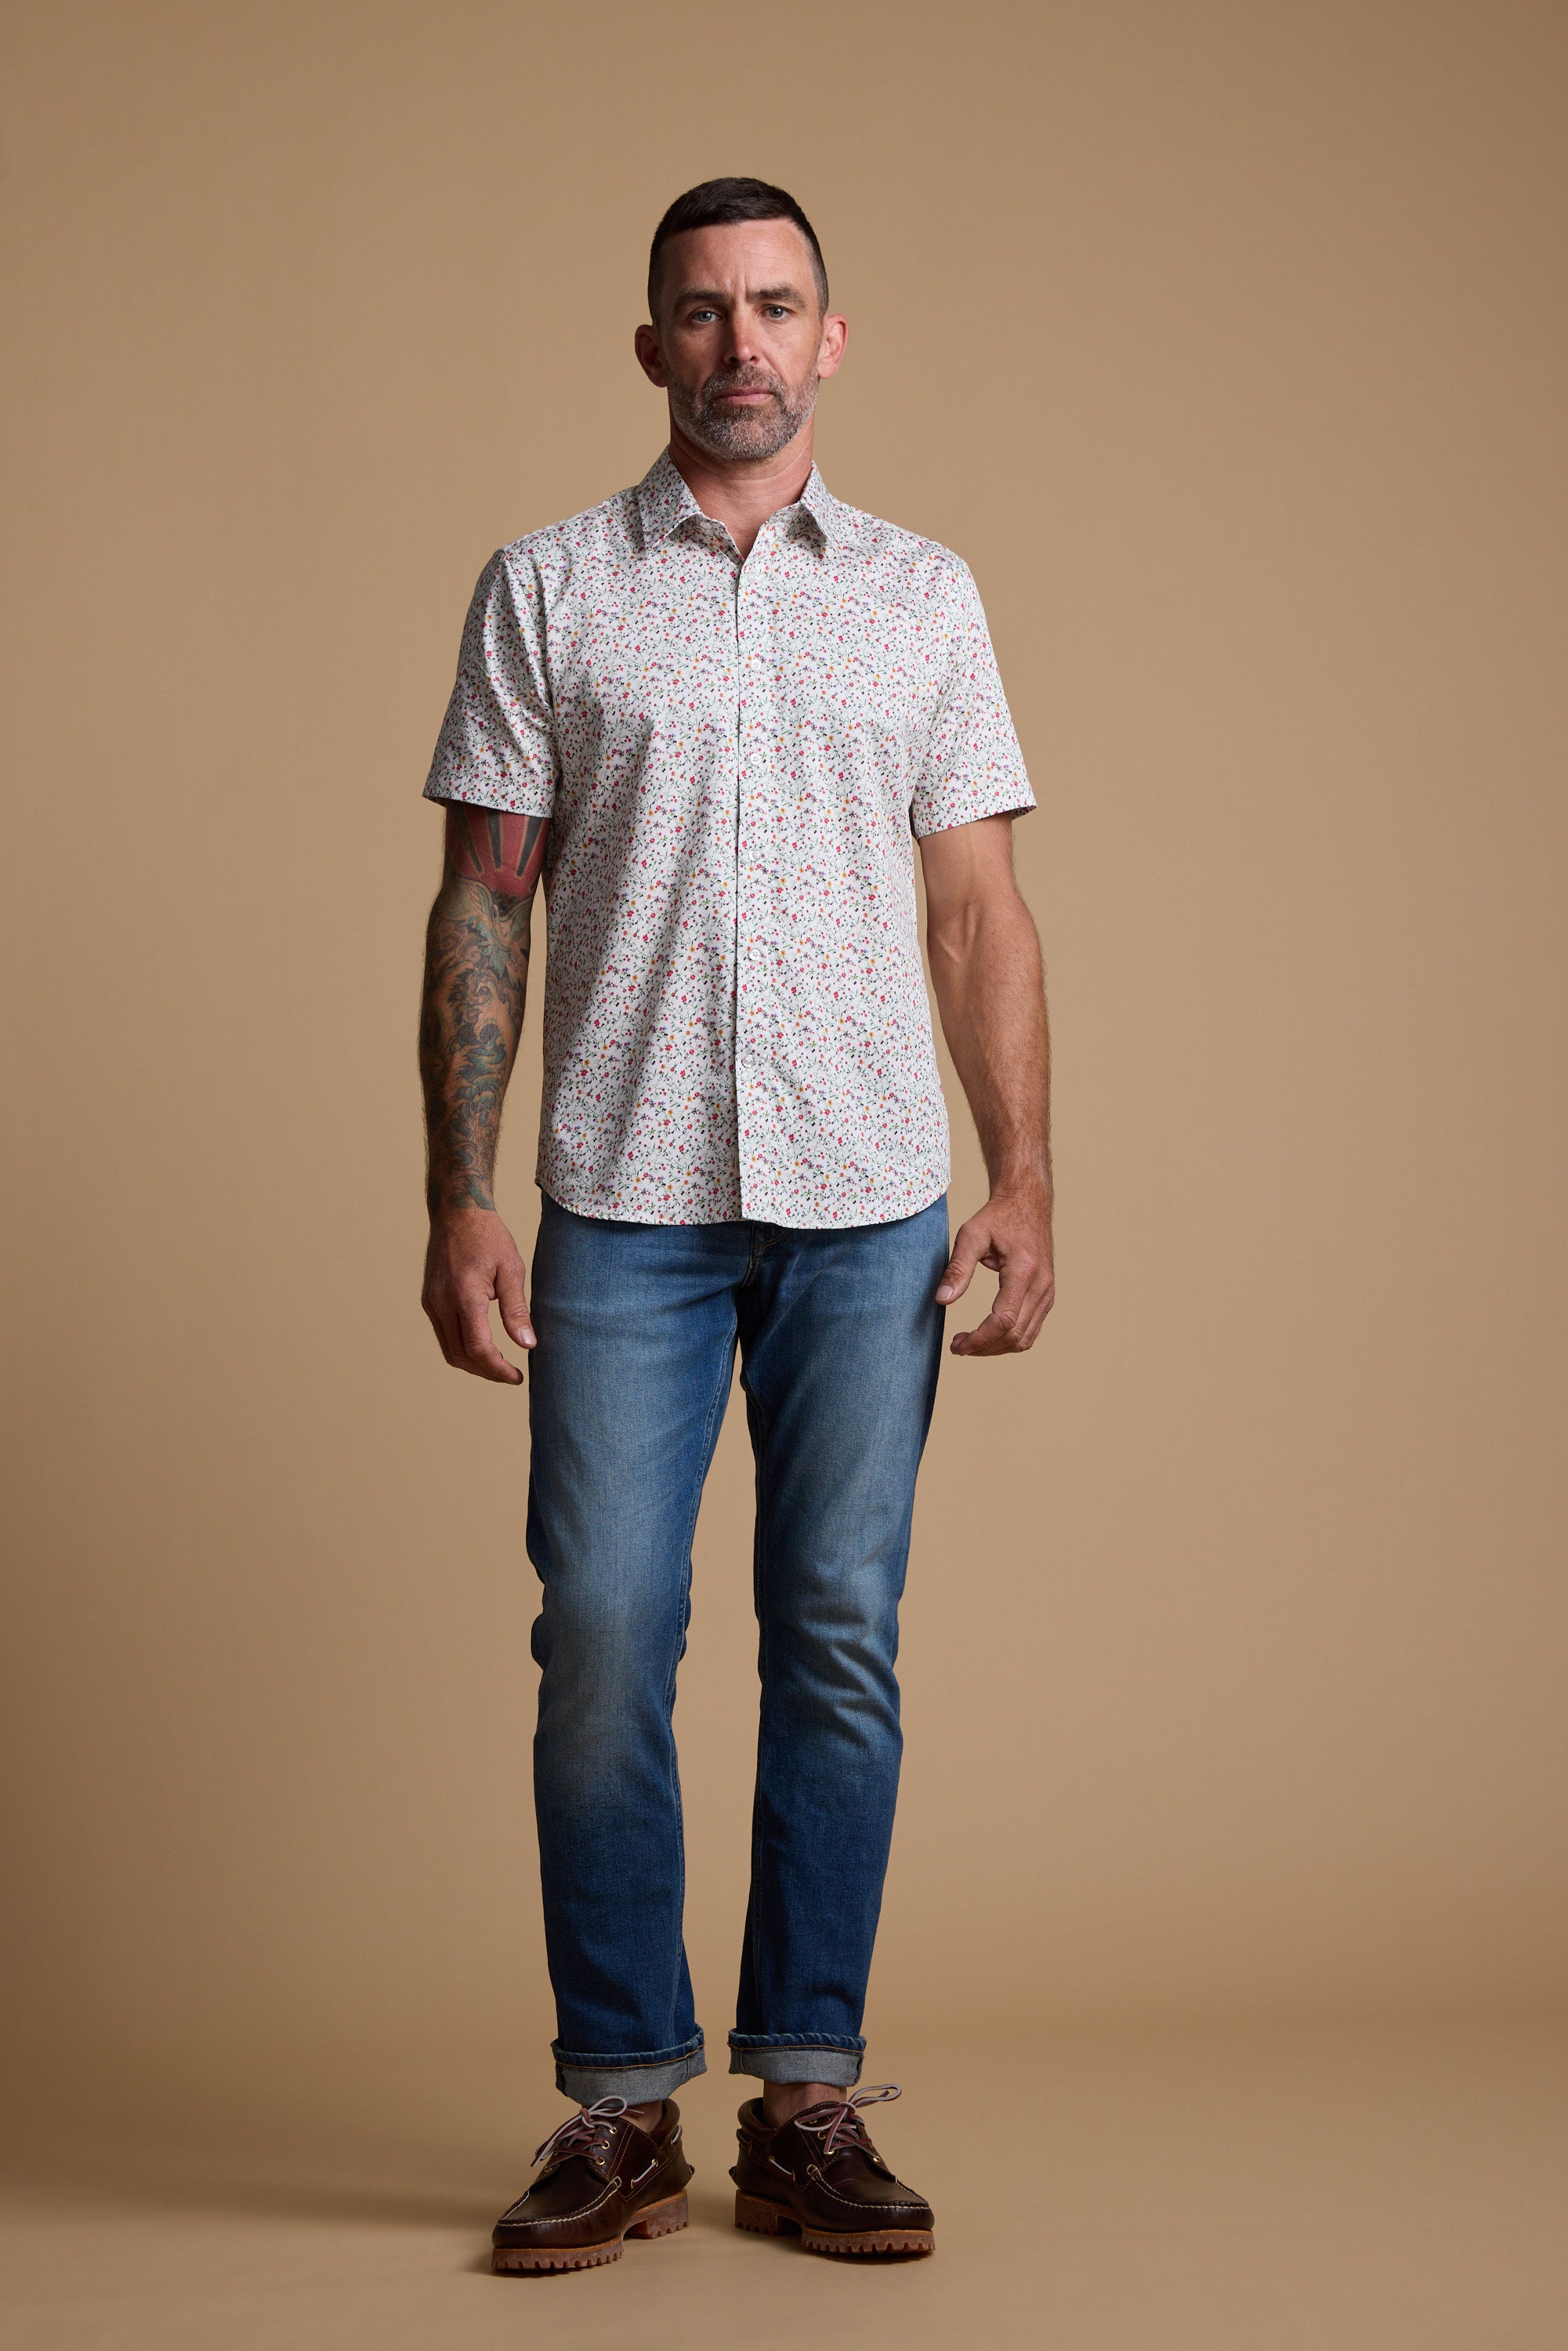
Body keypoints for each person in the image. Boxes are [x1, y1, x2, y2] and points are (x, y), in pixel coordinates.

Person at [418, 177, 1053, 2272]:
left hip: (870, 1203)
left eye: (776, 306)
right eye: (701, 312)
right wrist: (459, 1193)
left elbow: (975, 905)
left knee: (838, 1647)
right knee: (600, 1638)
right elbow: (487, 898)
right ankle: (619, 2107)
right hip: (623, 1203)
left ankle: (802, 2097)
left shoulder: (923, 598)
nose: (741, 344)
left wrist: (1022, 1172)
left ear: (832, 336)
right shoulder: (544, 591)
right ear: (649, 348)